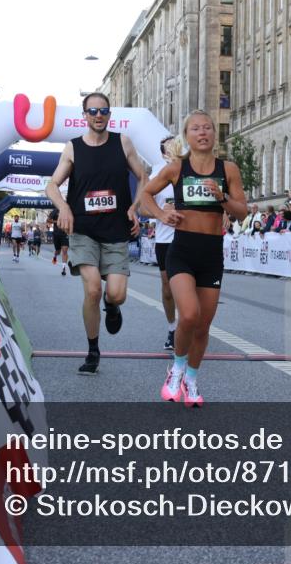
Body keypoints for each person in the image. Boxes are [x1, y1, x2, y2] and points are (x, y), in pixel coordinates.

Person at [140, 110, 248, 406]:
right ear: (186, 136)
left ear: (215, 134)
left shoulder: (228, 169)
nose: (203, 133)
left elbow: (243, 211)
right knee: (188, 315)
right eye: (196, 129)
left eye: (208, 128)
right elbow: (145, 195)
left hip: (212, 253)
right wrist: (162, 214)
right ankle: (175, 369)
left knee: (203, 326)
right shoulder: (177, 168)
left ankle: (191, 378)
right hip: (183, 250)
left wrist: (222, 198)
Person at [46, 92, 147, 375]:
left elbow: (143, 177)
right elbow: (51, 185)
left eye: (103, 110)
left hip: (116, 229)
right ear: (85, 115)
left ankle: (111, 307)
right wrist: (64, 208)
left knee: (116, 294)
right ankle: (93, 350)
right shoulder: (74, 148)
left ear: (109, 114)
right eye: (92, 111)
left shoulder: (122, 143)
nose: (98, 115)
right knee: (93, 288)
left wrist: (135, 208)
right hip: (84, 230)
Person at [153, 136, 180, 351]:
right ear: (163, 154)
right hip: (164, 239)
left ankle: (190, 327)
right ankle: (172, 328)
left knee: (191, 287)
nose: (175, 150)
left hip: (190, 237)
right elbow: (143, 207)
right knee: (168, 288)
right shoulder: (157, 176)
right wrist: (161, 213)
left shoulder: (193, 172)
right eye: (170, 148)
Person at [48, 209, 70, 276]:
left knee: (65, 250)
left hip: (65, 234)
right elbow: (48, 220)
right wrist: (57, 221)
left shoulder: (67, 210)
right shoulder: (55, 211)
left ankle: (64, 268)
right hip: (56, 234)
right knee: (58, 251)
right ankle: (55, 256)